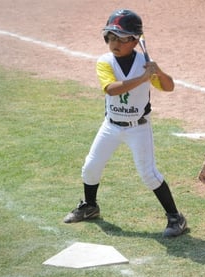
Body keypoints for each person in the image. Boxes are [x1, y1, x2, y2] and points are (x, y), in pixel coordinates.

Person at [63, 9, 187, 238]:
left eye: (120, 38)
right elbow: (111, 89)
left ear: (134, 40)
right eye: (110, 37)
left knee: (148, 174)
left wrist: (156, 70)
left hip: (138, 128)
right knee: (91, 167)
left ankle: (175, 218)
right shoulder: (105, 62)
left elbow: (169, 87)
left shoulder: (144, 62)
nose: (114, 43)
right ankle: (90, 206)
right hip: (111, 126)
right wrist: (143, 77)